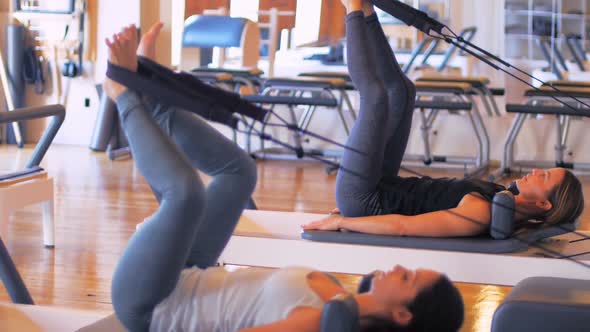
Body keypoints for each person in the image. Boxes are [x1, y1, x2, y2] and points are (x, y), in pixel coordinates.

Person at [103, 14, 464, 332]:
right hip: (190, 275)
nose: (400, 266)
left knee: (186, 196)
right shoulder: (338, 299)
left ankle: (122, 92)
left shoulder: (317, 322)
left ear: (402, 315)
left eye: (408, 277)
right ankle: (152, 95)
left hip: (154, 304)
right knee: (239, 173)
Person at [303, 0, 584, 238]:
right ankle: (365, 10)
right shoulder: (502, 199)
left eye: (544, 175)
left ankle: (352, 8)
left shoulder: (481, 213)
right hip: (383, 185)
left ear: (543, 204)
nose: (536, 171)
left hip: (365, 197)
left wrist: (344, 222)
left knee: (375, 98)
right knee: (402, 91)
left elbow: (404, 226)